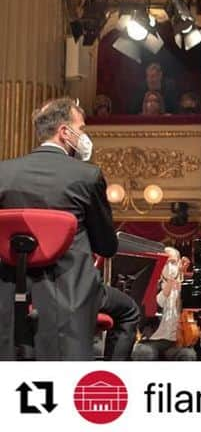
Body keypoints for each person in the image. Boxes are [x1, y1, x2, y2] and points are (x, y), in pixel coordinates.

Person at [0, 97, 118, 360]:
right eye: (82, 129)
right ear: (65, 132)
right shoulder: (87, 176)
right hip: (68, 297)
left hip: (8, 295)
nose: (85, 136)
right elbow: (107, 246)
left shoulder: (3, 173)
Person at [132, 248, 197, 360]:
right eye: (165, 262)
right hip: (150, 341)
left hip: (173, 343)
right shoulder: (150, 286)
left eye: (172, 262)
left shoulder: (181, 288)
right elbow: (152, 309)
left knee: (188, 354)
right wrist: (169, 285)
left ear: (178, 264)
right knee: (144, 352)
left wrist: (181, 274)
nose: (169, 267)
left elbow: (191, 305)